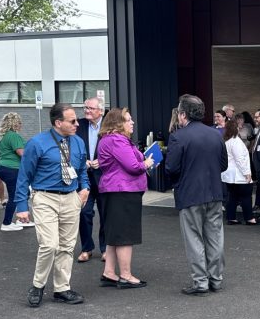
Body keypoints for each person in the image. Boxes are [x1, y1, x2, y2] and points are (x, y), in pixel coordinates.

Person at [14, 103, 91, 307]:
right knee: (49, 244)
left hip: (71, 198)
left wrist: (85, 188)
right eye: (72, 121)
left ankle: (62, 288)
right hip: (45, 198)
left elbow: (82, 169)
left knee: (67, 246)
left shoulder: (78, 143)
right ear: (58, 123)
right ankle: (38, 285)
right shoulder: (37, 143)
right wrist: (21, 205)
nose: (77, 124)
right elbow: (24, 175)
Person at [166, 94, 229, 295]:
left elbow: (171, 168)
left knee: (194, 238)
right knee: (215, 237)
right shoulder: (216, 135)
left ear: (183, 114)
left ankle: (200, 281)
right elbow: (223, 164)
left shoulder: (178, 136)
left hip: (190, 193)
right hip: (214, 192)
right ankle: (216, 279)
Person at [97, 107, 154, 288]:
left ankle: (109, 272)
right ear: (117, 123)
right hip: (123, 190)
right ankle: (126, 275)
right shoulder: (117, 140)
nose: (132, 122)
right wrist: (146, 163)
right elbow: (133, 166)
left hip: (115, 190)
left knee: (115, 234)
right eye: (128, 120)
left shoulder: (111, 140)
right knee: (124, 235)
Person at [77, 97, 106, 262]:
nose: (87, 111)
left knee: (105, 214)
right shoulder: (78, 125)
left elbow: (115, 149)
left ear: (100, 111)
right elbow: (72, 147)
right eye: (85, 107)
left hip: (103, 177)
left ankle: (105, 249)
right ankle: (86, 248)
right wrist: (83, 162)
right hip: (84, 178)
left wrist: (102, 161)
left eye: (91, 108)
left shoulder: (109, 125)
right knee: (84, 212)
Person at [0, 112, 33, 232]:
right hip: (12, 169)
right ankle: (7, 223)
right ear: (14, 123)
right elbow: (22, 153)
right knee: (16, 196)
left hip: (3, 167)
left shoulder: (3, 136)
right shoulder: (13, 136)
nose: (21, 124)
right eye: (19, 122)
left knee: (23, 193)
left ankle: (21, 218)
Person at [222, 118, 256, 225]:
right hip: (239, 175)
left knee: (232, 197)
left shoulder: (227, 141)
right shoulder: (236, 141)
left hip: (229, 175)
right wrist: (247, 173)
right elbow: (240, 159)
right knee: (246, 196)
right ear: (235, 128)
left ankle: (231, 218)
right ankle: (249, 218)